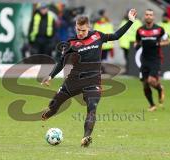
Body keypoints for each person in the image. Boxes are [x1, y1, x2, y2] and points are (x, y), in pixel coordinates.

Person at [40, 9, 137, 147]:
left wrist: (130, 22)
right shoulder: (71, 43)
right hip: (74, 80)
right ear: (75, 27)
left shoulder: (98, 36)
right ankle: (49, 113)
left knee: (92, 108)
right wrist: (50, 75)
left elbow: (116, 35)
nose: (80, 33)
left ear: (89, 28)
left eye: (83, 30)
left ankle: (86, 137)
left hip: (93, 80)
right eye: (78, 30)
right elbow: (62, 62)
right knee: (54, 106)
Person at [134, 9, 169, 112]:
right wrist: (136, 45)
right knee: (145, 83)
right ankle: (152, 105)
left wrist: (158, 44)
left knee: (151, 80)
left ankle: (160, 88)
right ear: (144, 16)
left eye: (150, 15)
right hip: (144, 59)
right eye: (147, 14)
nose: (148, 16)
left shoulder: (159, 29)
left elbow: (167, 42)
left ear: (153, 17)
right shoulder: (140, 30)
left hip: (155, 59)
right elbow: (137, 42)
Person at [119, 10, 142, 74]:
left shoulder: (137, 22)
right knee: (127, 58)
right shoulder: (124, 22)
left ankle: (130, 70)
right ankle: (128, 70)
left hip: (133, 44)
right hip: (125, 44)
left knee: (131, 58)